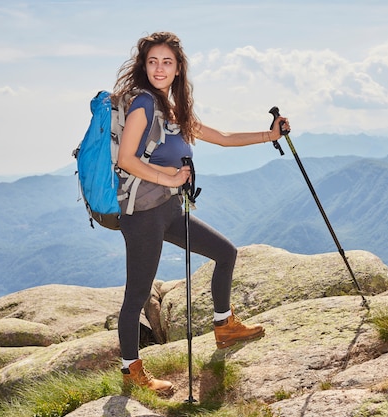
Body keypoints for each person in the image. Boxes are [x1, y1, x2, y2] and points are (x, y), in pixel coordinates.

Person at [110, 31, 290, 395]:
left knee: (226, 253)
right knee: (137, 296)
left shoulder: (171, 109)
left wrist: (269, 136)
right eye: (153, 61)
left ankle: (224, 327)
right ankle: (133, 372)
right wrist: (169, 176)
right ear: (144, 67)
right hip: (142, 214)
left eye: (167, 62)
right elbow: (126, 159)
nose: (160, 68)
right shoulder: (143, 104)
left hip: (170, 209)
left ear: (178, 69)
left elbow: (221, 136)